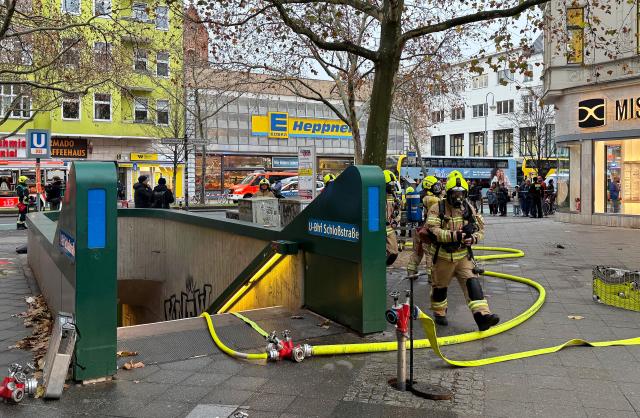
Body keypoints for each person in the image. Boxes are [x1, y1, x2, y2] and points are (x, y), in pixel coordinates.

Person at [425, 173, 499, 331]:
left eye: (461, 194)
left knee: (473, 284)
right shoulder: (437, 207)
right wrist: (454, 235)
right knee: (440, 288)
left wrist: (472, 239)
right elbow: (432, 231)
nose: (458, 198)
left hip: (463, 256)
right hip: (443, 257)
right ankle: (439, 313)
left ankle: (483, 317)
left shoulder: (469, 208)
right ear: (448, 193)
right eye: (455, 194)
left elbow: (481, 230)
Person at [407, 176, 441, 277]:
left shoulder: (419, 196)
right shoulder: (431, 199)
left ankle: (411, 271)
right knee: (430, 253)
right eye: (436, 186)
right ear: (429, 186)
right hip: (426, 230)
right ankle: (432, 276)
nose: (438, 188)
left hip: (417, 228)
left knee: (417, 252)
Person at [384, 170, 401, 266]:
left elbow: (399, 212)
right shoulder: (375, 195)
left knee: (394, 252)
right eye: (390, 185)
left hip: (389, 227)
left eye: (393, 185)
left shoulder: (394, 197)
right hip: (377, 228)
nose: (392, 187)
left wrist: (395, 221)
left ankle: (383, 266)